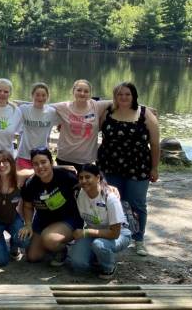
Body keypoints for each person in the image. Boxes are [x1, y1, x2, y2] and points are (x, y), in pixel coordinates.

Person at [98, 82, 160, 257]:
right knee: (111, 202)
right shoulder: (108, 111)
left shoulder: (145, 114)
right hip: (109, 166)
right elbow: (90, 126)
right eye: (120, 94)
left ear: (134, 96)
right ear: (115, 96)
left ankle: (138, 239)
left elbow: (155, 144)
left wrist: (154, 168)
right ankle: (113, 236)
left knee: (137, 203)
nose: (123, 97)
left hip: (138, 167)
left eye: (127, 94)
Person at [19, 147, 82, 266]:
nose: (40, 167)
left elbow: (86, 184)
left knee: (49, 239)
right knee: (33, 256)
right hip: (43, 220)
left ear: (51, 162)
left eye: (43, 162)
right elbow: (27, 206)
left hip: (68, 219)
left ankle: (61, 249)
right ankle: (51, 243)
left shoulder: (65, 176)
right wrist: (28, 224)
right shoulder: (30, 184)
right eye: (36, 164)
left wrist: (107, 187)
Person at [69, 163, 131, 279]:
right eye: (81, 177)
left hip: (118, 234)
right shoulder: (78, 193)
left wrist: (86, 232)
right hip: (94, 232)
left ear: (98, 178)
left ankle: (109, 267)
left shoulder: (110, 198)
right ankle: (97, 257)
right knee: (78, 264)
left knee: (99, 245)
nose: (84, 181)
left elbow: (114, 233)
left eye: (88, 177)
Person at [0, 150, 32, 266]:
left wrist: (63, 167)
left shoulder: (20, 177)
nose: (1, 165)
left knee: (25, 241)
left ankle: (14, 246)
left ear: (11, 162)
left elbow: (39, 169)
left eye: (5, 161)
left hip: (12, 218)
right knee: (1, 261)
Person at [52, 79, 111, 172]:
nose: (82, 93)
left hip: (87, 160)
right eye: (79, 90)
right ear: (73, 91)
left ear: (90, 94)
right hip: (64, 158)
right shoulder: (63, 107)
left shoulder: (96, 106)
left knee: (84, 186)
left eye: (86, 91)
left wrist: (139, 109)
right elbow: (43, 108)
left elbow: (119, 102)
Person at [16, 83, 58, 170]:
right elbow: (10, 104)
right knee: (23, 182)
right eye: (37, 95)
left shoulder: (52, 112)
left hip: (42, 156)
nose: (40, 98)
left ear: (47, 97)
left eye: (43, 95)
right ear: (32, 95)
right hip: (24, 154)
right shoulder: (24, 109)